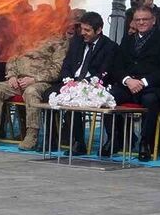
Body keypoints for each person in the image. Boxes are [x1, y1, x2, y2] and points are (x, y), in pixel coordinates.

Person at [0, 32, 69, 150]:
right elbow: (12, 59)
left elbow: (58, 68)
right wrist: (12, 76)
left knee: (31, 92)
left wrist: (34, 79)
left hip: (41, 82)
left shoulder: (58, 40)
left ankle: (31, 136)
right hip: (18, 80)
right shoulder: (24, 34)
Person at [104, 6, 160, 160]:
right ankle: (115, 139)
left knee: (151, 100)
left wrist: (142, 82)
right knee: (109, 98)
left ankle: (145, 143)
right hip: (128, 85)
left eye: (145, 19)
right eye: (138, 20)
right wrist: (127, 80)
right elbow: (117, 67)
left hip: (151, 87)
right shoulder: (127, 40)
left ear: (153, 20)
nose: (141, 22)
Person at [51, 11, 118, 155]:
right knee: (47, 94)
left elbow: (105, 72)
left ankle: (111, 140)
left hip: (93, 85)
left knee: (80, 97)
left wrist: (83, 83)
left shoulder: (109, 47)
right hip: (71, 83)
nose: (83, 33)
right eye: (82, 29)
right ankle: (61, 140)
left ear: (99, 30)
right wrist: (68, 81)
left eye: (87, 30)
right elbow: (66, 65)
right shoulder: (76, 42)